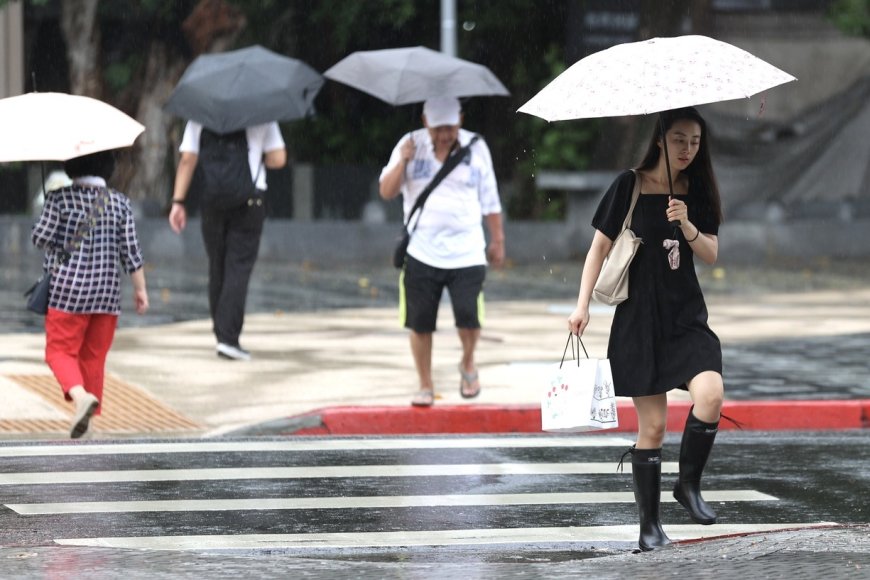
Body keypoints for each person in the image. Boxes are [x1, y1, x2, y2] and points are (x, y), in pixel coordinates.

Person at [567, 107, 725, 551]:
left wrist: (688, 224)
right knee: (652, 428)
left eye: (694, 142)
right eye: (679, 140)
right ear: (660, 139)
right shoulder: (630, 185)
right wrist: (582, 307)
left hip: (686, 317)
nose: (687, 150)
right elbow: (597, 249)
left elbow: (711, 253)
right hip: (640, 319)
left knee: (710, 395)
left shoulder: (699, 189)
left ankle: (688, 486)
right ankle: (649, 527)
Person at [379, 97, 506, 407]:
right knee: (419, 323)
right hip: (422, 251)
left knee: (469, 318)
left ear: (460, 119)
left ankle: (468, 363)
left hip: (468, 250)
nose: (445, 134)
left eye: (450, 127)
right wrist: (402, 161)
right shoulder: (409, 145)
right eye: (438, 128)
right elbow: (386, 191)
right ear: (426, 122)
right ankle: (425, 384)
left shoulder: (476, 147)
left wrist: (497, 240)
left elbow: (489, 198)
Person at [31, 150, 149, 439]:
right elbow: (131, 253)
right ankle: (88, 426)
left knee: (59, 352)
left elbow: (40, 238)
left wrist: (49, 209)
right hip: (106, 296)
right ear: (107, 167)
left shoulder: (59, 199)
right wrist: (140, 290)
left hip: (67, 293)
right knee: (93, 357)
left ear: (71, 166)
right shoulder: (120, 203)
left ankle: (80, 397)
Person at [168, 121, 287, 361]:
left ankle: (221, 332)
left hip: (212, 201)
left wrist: (178, 202)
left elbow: (187, 160)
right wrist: (257, 156)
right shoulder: (263, 114)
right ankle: (228, 338)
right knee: (238, 267)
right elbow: (279, 159)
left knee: (217, 265)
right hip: (250, 201)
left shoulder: (199, 115)